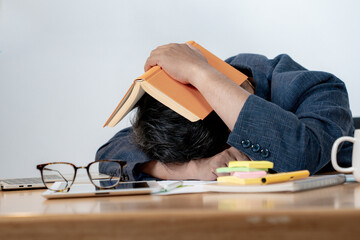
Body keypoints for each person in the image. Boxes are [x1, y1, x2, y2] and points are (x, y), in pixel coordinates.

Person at [96, 43, 354, 181]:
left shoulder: (319, 89)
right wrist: (191, 169)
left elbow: (301, 152)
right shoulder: (177, 116)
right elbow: (108, 154)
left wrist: (200, 72)